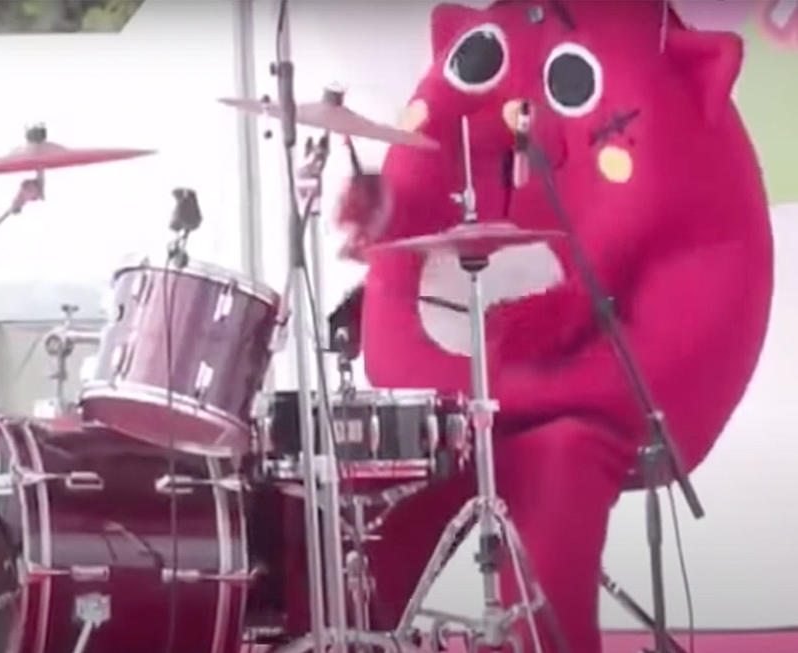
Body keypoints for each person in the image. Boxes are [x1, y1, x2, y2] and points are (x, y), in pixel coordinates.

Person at [321, 1, 773, 651]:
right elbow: (409, 244)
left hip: (609, 383)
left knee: (553, 455)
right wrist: (384, 220)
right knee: (384, 466)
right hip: (490, 385)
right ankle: (348, 626)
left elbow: (630, 222)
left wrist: (530, 363)